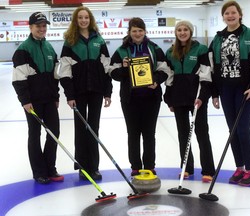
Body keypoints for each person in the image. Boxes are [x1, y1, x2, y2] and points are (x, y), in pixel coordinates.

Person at [209, 1, 250, 187]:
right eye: (227, 13)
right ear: (223, 16)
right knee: (232, 131)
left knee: (243, 129)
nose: (230, 16)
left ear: (240, 15)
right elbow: (212, 68)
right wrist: (215, 93)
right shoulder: (218, 39)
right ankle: (239, 168)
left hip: (245, 91)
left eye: (233, 12)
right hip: (226, 89)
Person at [109, 17, 171, 176]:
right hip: (130, 99)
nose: (137, 33)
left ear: (145, 31)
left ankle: (149, 166)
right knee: (133, 133)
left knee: (149, 133)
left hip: (151, 98)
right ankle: (135, 166)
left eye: (140, 30)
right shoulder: (121, 50)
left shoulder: (154, 48)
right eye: (134, 30)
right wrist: (124, 69)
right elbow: (112, 73)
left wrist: (156, 81)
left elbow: (165, 70)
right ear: (129, 32)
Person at [58, 6, 112, 181]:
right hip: (79, 93)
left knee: (93, 128)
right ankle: (83, 167)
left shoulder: (99, 40)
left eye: (86, 17)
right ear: (76, 20)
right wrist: (70, 95)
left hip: (96, 91)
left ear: (90, 19)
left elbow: (106, 68)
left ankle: (94, 167)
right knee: (80, 129)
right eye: (80, 18)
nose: (83, 20)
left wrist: (107, 92)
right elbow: (65, 71)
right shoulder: (70, 41)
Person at [12, 12, 64, 184]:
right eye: (38, 26)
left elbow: (54, 76)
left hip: (49, 99)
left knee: (54, 133)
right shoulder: (23, 50)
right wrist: (25, 100)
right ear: (30, 27)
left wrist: (56, 96)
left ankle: (50, 168)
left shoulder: (49, 48)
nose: (42, 29)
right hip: (32, 101)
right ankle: (39, 171)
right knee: (35, 134)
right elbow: (19, 79)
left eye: (44, 26)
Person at [164, 20, 215, 183]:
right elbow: (169, 77)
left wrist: (203, 97)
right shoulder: (170, 51)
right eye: (179, 30)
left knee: (201, 133)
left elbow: (206, 75)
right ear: (176, 33)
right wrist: (169, 98)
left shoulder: (201, 49)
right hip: (179, 98)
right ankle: (186, 167)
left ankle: (208, 170)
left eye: (185, 29)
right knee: (183, 134)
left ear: (190, 32)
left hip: (196, 98)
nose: (182, 32)